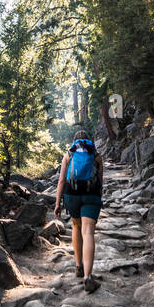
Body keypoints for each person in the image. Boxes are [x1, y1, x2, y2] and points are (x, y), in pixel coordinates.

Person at [54, 124, 103, 293]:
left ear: (75, 142)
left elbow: (61, 181)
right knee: (88, 232)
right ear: (88, 141)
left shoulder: (69, 154)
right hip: (91, 195)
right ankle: (88, 277)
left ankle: (78, 266)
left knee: (76, 226)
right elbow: (100, 181)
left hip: (71, 195)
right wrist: (97, 197)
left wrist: (57, 203)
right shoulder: (96, 155)